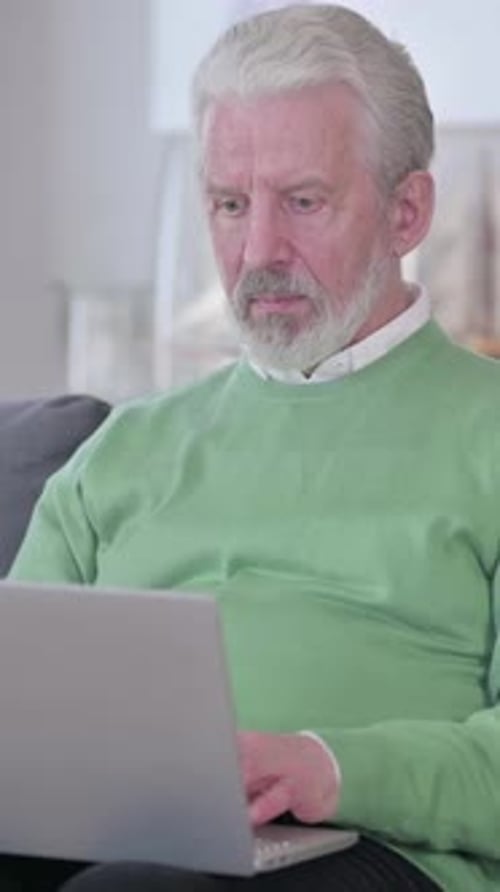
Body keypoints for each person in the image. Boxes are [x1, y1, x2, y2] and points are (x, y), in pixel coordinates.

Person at [7, 4, 500, 891]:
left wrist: (331, 768)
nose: (259, 250)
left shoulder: (485, 433)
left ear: (407, 212)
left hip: (373, 851)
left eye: (303, 202)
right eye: (231, 205)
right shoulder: (125, 451)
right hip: (110, 836)